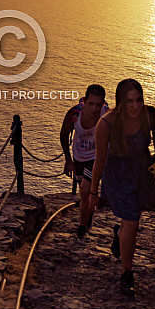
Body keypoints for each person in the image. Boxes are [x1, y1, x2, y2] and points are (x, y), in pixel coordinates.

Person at [88, 78, 155, 294]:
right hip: (118, 176)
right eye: (130, 101)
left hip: (141, 173)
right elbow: (99, 159)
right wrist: (93, 192)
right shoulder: (106, 124)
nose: (135, 106)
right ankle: (127, 271)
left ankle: (118, 235)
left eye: (139, 100)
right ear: (120, 102)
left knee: (131, 221)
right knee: (132, 222)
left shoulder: (150, 115)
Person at [60, 84, 109, 239]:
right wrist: (68, 160)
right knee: (84, 191)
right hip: (79, 156)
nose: (95, 108)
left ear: (103, 103)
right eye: (91, 104)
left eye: (98, 104)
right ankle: (88, 213)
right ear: (85, 101)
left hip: (97, 157)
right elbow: (64, 134)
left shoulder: (106, 115)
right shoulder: (75, 113)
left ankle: (82, 227)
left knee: (85, 190)